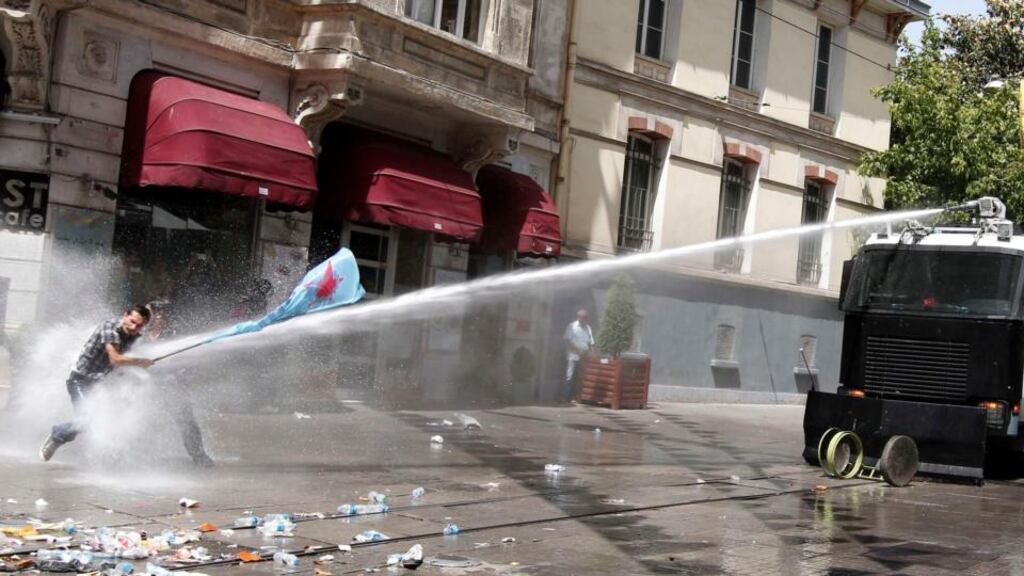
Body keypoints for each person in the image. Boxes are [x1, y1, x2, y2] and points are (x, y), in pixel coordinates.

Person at [39, 305, 155, 461]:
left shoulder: (134, 335)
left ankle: (116, 457)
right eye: (132, 321)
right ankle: (57, 435)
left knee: (112, 417)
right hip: (79, 381)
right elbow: (116, 359)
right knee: (86, 420)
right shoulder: (109, 328)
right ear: (125, 315)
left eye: (140, 325)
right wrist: (140, 361)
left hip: (100, 384)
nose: (134, 327)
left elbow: (137, 352)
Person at [144, 301, 214, 467]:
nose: (149, 318)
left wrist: (181, 374)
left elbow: (189, 362)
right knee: (140, 421)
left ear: (161, 316)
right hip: (146, 388)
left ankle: (199, 456)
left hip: (171, 386)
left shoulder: (175, 336)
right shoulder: (138, 337)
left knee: (187, 422)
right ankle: (140, 459)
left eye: (153, 314)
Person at [563, 309, 594, 402]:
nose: (583, 320)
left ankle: (577, 397)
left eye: (585, 318)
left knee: (581, 376)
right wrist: (577, 351)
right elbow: (567, 340)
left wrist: (591, 353)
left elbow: (591, 342)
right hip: (573, 356)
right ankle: (566, 397)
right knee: (570, 376)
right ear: (578, 317)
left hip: (584, 356)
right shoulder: (572, 326)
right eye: (582, 318)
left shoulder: (588, 328)